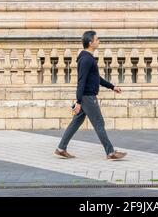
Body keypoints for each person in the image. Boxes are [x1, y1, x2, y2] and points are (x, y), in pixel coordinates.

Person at [54, 30, 127, 160]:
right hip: (87, 97)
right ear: (90, 42)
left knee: (76, 122)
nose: (99, 41)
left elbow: (96, 78)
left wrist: (112, 87)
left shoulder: (88, 58)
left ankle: (61, 148)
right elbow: (81, 81)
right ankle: (110, 152)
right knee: (99, 123)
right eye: (97, 39)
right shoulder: (86, 60)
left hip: (86, 97)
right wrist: (78, 101)